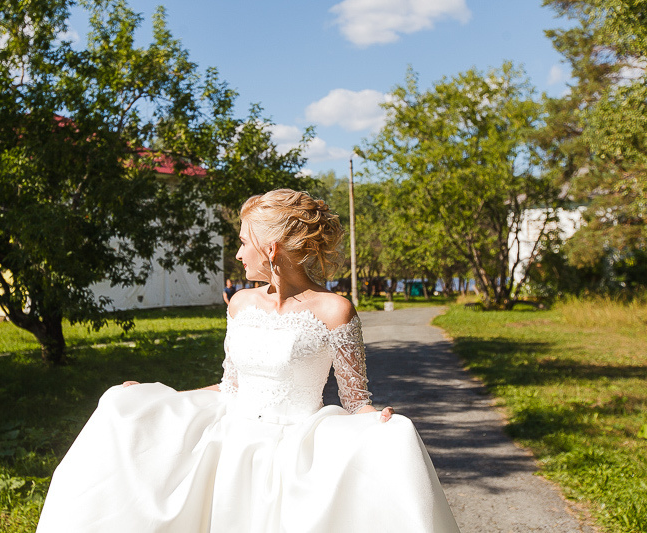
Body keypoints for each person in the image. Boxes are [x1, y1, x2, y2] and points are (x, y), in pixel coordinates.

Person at [36, 189, 460, 533]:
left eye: (242, 242)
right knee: (123, 410)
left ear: (270, 248)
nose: (238, 254)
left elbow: (355, 398)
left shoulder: (335, 310)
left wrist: (377, 420)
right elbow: (229, 384)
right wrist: (155, 396)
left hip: (293, 450)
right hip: (230, 442)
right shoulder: (240, 303)